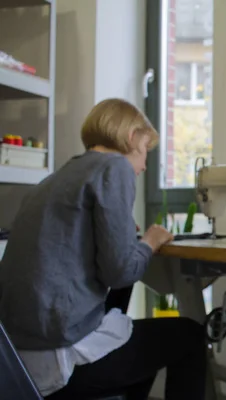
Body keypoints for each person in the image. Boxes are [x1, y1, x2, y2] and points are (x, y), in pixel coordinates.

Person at [0, 98, 206, 399]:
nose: (144, 165)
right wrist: (150, 240)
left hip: (17, 359)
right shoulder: (115, 168)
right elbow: (121, 272)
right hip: (60, 359)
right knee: (190, 335)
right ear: (131, 137)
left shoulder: (53, 180)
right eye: (144, 152)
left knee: (132, 339)